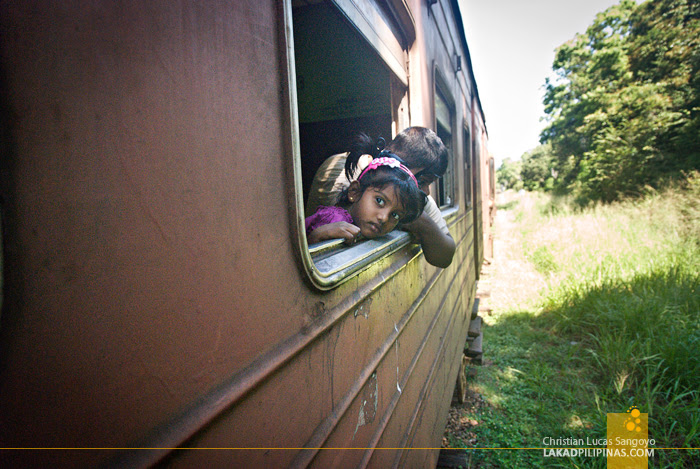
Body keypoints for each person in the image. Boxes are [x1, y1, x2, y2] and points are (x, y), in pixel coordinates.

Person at [306, 127, 456, 267]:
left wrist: (421, 222)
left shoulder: (416, 198)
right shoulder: (348, 171)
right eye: (423, 181)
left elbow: (445, 256)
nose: (427, 191)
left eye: (395, 214)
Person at [305, 153, 428, 245]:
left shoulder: (358, 224)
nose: (384, 218)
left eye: (395, 215)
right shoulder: (334, 220)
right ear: (355, 192)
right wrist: (316, 237)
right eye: (379, 201)